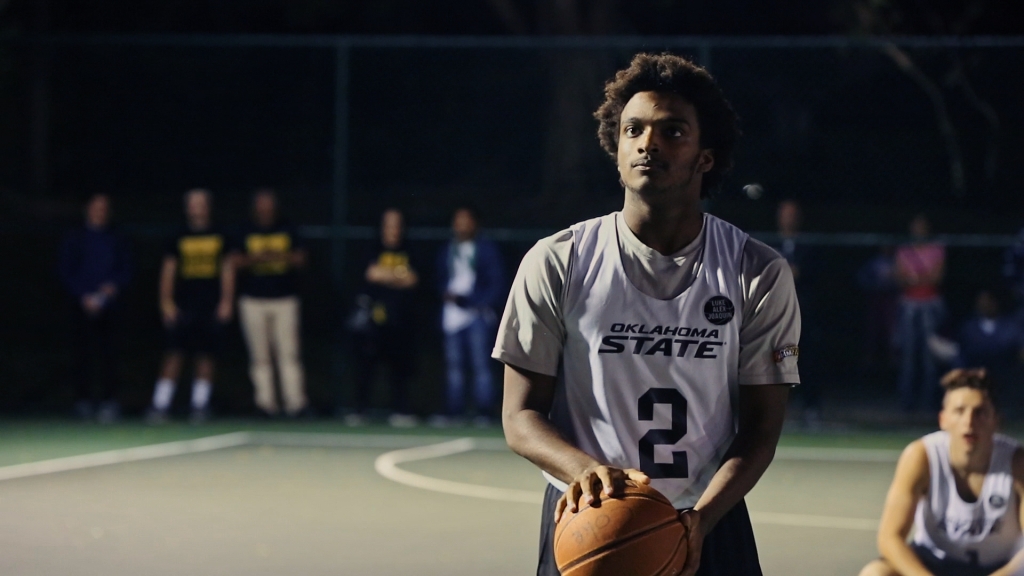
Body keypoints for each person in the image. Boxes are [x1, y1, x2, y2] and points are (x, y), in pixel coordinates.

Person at [495, 53, 800, 576]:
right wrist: (584, 471)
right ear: (615, 148)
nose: (648, 143)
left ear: (705, 158)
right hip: (590, 517)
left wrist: (703, 519)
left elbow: (761, 427)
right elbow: (520, 417)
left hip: (707, 516)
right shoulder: (559, 260)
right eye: (633, 130)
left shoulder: (756, 271)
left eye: (672, 131)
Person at [859, 368, 1024, 576]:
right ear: (943, 419)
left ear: (996, 421)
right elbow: (890, 538)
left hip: (999, 567)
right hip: (933, 564)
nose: (969, 421)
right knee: (875, 573)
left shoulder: (1017, 463)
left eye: (980, 412)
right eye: (959, 411)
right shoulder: (922, 456)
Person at [146, 189, 235, 424]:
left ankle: (200, 404)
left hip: (210, 303)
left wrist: (226, 301)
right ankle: (160, 404)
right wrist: (166, 302)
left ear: (208, 206)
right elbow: (168, 270)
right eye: (193, 204)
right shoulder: (178, 235)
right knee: (174, 353)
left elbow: (228, 268)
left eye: (201, 203)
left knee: (206, 354)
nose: (197, 208)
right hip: (183, 304)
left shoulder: (221, 234)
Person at [233, 188, 309, 418]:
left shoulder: (288, 228)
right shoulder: (245, 229)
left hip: (284, 299)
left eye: (268, 204)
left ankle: (295, 404)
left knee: (289, 353)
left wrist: (277, 256)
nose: (265, 209)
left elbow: (301, 258)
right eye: (261, 204)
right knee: (260, 357)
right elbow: (234, 261)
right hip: (253, 300)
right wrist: (257, 258)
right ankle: (265, 405)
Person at [57, 193, 133, 423]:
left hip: (110, 307)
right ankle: (83, 401)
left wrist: (111, 289)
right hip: (81, 306)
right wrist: (83, 296)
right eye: (96, 207)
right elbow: (66, 270)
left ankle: (110, 401)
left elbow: (126, 269)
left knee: (110, 355)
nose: (100, 212)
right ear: (87, 209)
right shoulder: (75, 237)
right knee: (82, 355)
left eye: (104, 208)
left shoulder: (117, 237)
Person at [433, 205, 505, 427]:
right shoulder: (447, 249)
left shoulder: (486, 249)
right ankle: (455, 412)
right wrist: (447, 294)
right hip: (452, 315)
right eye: (458, 221)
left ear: (475, 223)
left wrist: (474, 301)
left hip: (477, 314)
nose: (461, 225)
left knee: (481, 365)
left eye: (466, 220)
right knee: (454, 367)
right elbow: (440, 279)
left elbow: (496, 283)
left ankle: (484, 413)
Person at [348, 208, 420, 428]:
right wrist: (398, 275)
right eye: (389, 224)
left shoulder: (410, 248)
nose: (393, 229)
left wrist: (386, 274)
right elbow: (371, 274)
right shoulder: (373, 248)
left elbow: (413, 279)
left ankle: (400, 410)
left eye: (397, 224)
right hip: (374, 321)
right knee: (366, 367)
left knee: (399, 368)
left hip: (400, 320)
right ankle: (360, 410)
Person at [768, 199, 821, 427]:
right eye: (784, 214)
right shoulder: (769, 244)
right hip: (777, 316)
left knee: (807, 361)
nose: (788, 219)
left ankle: (811, 409)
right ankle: (779, 410)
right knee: (779, 362)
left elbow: (802, 273)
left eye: (792, 214)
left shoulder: (808, 245)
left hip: (803, 313)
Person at [895, 214, 946, 413]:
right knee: (908, 355)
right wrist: (921, 278)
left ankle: (929, 401)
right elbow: (899, 278)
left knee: (929, 355)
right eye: (916, 227)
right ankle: (907, 402)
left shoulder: (937, 249)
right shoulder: (904, 251)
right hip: (908, 305)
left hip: (930, 305)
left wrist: (914, 277)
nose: (919, 231)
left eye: (922, 227)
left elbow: (936, 278)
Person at [955, 290, 1024, 419]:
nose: (985, 305)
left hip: (1005, 370)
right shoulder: (969, 327)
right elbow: (963, 351)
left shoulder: (1010, 326)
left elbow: (1015, 347)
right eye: (982, 302)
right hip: (975, 370)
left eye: (988, 302)